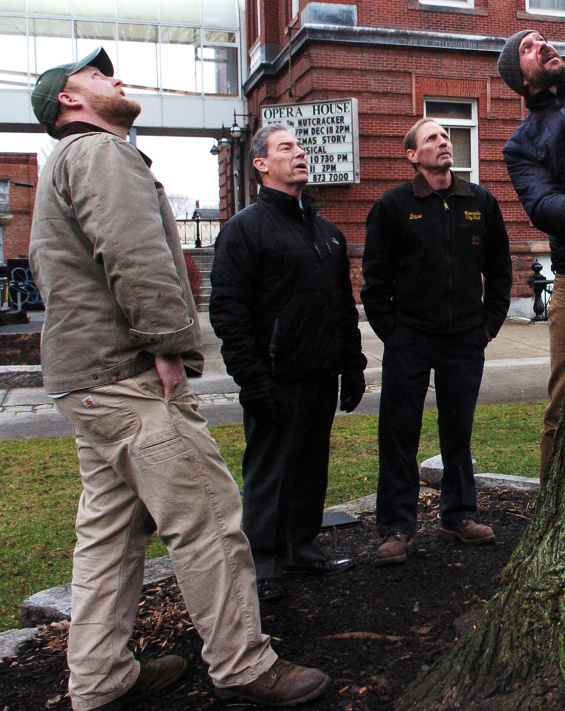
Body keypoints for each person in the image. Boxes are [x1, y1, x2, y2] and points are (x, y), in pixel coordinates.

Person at [27, 49, 330, 710]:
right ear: (69, 101)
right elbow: (133, 252)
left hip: (85, 381)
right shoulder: (102, 154)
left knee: (108, 534)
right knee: (209, 519)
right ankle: (244, 663)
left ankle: (100, 677)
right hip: (132, 379)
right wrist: (167, 344)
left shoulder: (62, 166)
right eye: (97, 74)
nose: (116, 78)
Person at [210, 123, 367, 603]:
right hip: (274, 378)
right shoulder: (244, 229)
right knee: (270, 471)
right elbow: (228, 313)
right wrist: (252, 378)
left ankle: (301, 546)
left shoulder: (327, 232)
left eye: (301, 146)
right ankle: (263, 561)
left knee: (309, 465)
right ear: (261, 164)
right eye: (287, 147)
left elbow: (343, 303)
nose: (300, 153)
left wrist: (353, 363)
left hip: (320, 371)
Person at [362, 118, 512, 566]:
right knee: (399, 433)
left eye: (446, 136)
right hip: (410, 337)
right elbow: (374, 282)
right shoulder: (393, 206)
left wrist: (488, 325)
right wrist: (396, 333)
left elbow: (500, 271)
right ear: (412, 155)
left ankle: (460, 514)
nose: (443, 141)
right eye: (432, 137)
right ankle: (396, 528)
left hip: (465, 338)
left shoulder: (480, 202)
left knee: (458, 432)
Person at [498, 30, 565, 478]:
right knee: (562, 398)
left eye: (542, 39)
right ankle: (553, 499)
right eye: (528, 48)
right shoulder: (522, 142)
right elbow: (543, 207)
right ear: (522, 81)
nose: (543, 45)